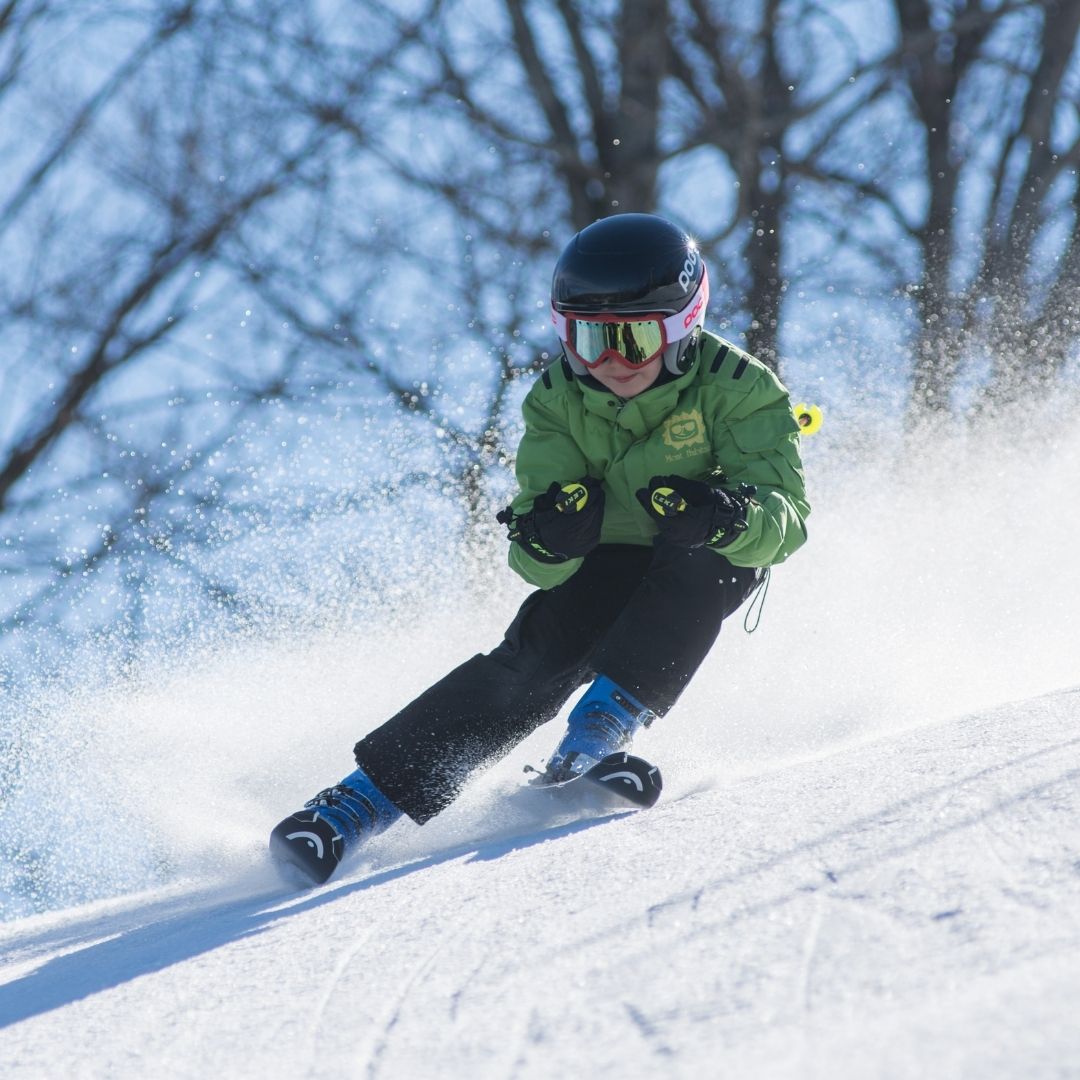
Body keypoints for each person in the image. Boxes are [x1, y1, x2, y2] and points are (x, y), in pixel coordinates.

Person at [270, 213, 811, 885]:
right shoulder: (557, 399)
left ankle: (596, 736)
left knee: (710, 563)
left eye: (633, 339)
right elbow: (532, 557)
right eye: (586, 339)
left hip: (699, 552)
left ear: (681, 329)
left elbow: (786, 521)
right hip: (605, 559)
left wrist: (727, 516)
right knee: (537, 656)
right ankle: (354, 806)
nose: (608, 361)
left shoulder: (740, 386)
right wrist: (550, 536)